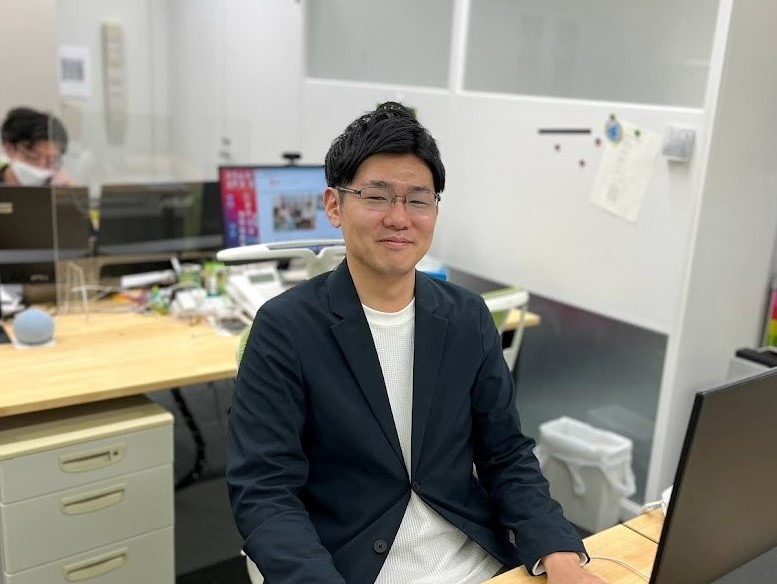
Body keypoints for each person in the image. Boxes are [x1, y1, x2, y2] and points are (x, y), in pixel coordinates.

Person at [227, 102, 605, 584]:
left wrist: (560, 554)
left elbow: (506, 454)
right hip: (350, 568)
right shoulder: (285, 328)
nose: (399, 218)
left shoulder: (467, 317)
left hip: (477, 560)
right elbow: (265, 492)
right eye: (377, 197)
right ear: (334, 206)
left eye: (418, 200)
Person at [0, 106, 73, 186]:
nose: (41, 166)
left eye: (50, 160)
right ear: (9, 148)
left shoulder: (58, 187)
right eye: (33, 157)